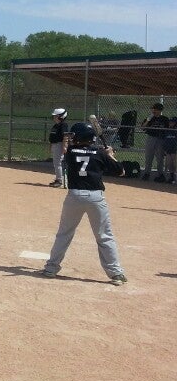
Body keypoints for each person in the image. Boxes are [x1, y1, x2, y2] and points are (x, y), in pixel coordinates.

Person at [40, 121, 127, 286]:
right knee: (104, 236)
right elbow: (121, 171)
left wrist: (104, 153)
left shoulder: (70, 153)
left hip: (74, 197)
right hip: (96, 198)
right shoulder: (100, 153)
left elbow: (71, 148)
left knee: (64, 233)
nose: (72, 139)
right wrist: (110, 154)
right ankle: (116, 273)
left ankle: (51, 268)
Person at [140, 102, 169, 181]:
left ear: (159, 110)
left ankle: (160, 174)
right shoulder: (150, 118)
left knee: (160, 158)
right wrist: (148, 120)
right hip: (150, 138)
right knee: (148, 157)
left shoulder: (164, 119)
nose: (153, 111)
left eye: (155, 109)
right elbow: (142, 128)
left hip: (160, 139)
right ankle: (147, 173)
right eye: (153, 109)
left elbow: (167, 130)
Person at [47, 108, 70, 187]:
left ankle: (59, 180)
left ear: (61, 116)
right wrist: (50, 146)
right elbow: (52, 137)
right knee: (56, 163)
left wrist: (64, 146)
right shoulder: (56, 125)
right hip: (55, 145)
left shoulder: (63, 125)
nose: (54, 118)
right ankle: (58, 179)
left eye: (56, 116)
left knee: (58, 163)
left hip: (59, 144)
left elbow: (65, 136)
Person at [163, 116, 177, 184]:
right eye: (170, 122)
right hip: (168, 149)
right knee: (169, 164)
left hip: (175, 150)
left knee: (175, 164)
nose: (170, 123)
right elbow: (165, 140)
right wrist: (165, 149)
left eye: (172, 122)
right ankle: (172, 178)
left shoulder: (176, 131)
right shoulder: (167, 130)